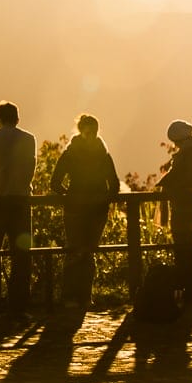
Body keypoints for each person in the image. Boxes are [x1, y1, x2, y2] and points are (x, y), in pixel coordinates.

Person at [50, 114, 120, 308]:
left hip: (75, 208)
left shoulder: (70, 153)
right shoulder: (103, 153)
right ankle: (84, 297)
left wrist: (70, 195)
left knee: (76, 251)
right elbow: (114, 184)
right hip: (97, 209)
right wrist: (104, 199)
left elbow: (55, 182)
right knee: (87, 252)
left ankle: (70, 297)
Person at [0, 101, 37, 315]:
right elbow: (32, 168)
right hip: (21, 200)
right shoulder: (29, 139)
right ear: (17, 118)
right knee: (21, 253)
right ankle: (19, 300)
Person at [156, 120, 192, 303]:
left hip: (184, 204)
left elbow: (187, 176)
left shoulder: (191, 151)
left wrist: (168, 182)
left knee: (183, 245)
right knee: (187, 244)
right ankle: (189, 285)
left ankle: (187, 286)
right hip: (188, 203)